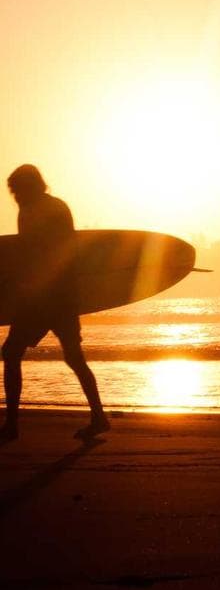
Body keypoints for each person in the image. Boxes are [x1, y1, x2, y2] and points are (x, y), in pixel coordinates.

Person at [1, 165, 109, 441]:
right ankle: (98, 416)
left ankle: (12, 425)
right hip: (60, 298)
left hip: (46, 299)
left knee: (13, 353)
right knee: (73, 357)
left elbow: (49, 253)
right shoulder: (42, 208)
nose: (14, 196)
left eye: (17, 190)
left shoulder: (43, 210)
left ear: (32, 185)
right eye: (11, 191)